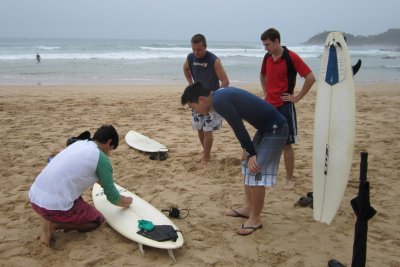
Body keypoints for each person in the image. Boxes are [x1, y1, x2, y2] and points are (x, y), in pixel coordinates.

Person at [181, 83, 288, 235]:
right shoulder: (218, 96)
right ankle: (248, 208)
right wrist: (247, 151)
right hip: (265, 129)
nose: (194, 111)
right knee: (246, 164)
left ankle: (255, 219)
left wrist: (251, 153)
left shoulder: (219, 101)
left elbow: (238, 127)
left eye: (193, 106)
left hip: (276, 129)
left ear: (201, 99)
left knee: (255, 170)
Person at [29, 124, 133, 246]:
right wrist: (128, 201)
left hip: (34, 198)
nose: (108, 153)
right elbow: (113, 198)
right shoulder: (102, 159)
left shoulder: (79, 144)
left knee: (75, 192)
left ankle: (54, 219)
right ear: (109, 142)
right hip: (50, 208)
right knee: (96, 220)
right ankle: (54, 224)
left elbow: (96, 180)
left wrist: (106, 183)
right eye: (110, 149)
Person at [260, 28, 316, 190]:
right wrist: (266, 92)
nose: (266, 48)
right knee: (265, 141)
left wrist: (296, 97)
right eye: (264, 45)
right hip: (268, 105)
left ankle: (289, 179)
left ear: (277, 41)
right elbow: (262, 75)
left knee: (286, 144)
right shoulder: (267, 57)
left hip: (285, 106)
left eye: (268, 44)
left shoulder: (291, 57)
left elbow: (311, 78)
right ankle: (266, 174)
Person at [183, 34, 229, 167]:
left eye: (199, 49)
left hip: (211, 102)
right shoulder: (190, 58)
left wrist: (214, 97)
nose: (196, 52)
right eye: (194, 49)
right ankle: (205, 152)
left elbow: (225, 81)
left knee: (208, 130)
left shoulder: (214, 60)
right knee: (200, 128)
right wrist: (191, 84)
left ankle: (206, 158)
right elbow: (185, 69)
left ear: (205, 47)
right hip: (197, 100)